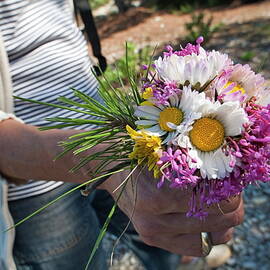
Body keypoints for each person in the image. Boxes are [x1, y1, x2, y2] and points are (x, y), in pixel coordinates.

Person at [0, 1, 244, 270]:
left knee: (155, 226)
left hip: (105, 132)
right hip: (34, 179)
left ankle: (179, 260)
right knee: (80, 259)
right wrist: (103, 166)